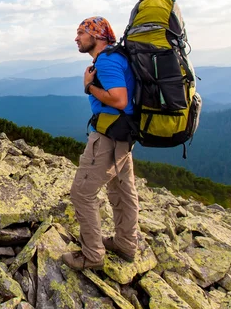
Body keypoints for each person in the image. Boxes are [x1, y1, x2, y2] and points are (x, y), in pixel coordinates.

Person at [62, 16, 139, 270]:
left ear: (97, 36)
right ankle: (126, 244)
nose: (77, 38)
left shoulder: (106, 60)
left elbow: (118, 99)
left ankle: (92, 255)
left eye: (81, 32)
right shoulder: (117, 57)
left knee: (81, 193)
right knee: (122, 190)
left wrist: (88, 87)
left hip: (107, 138)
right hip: (123, 136)